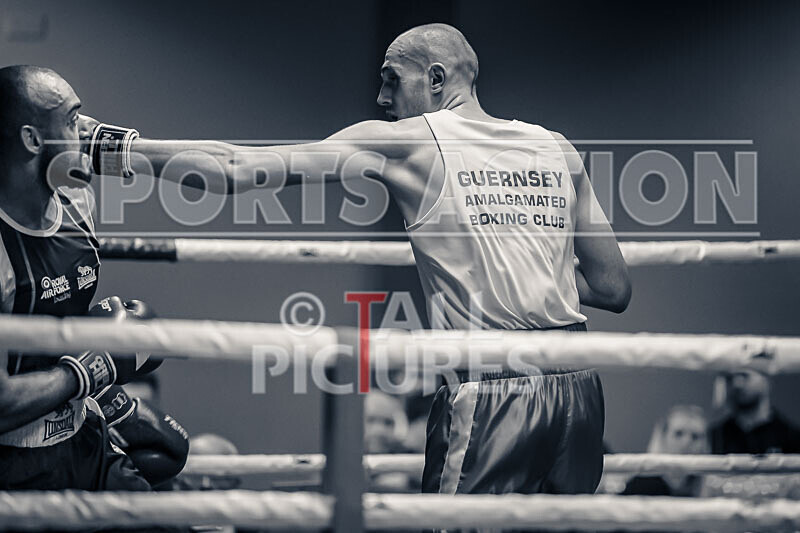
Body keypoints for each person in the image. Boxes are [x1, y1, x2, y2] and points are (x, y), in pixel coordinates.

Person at [86, 23, 631, 498]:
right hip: (579, 391)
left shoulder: (409, 142)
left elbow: (236, 169)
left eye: (392, 79)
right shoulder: (555, 147)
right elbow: (611, 287)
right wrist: (524, 276)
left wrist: (108, 148)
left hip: (491, 390)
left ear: (436, 80)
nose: (379, 97)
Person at [0, 65, 187, 494]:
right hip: (13, 462)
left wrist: (108, 398)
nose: (86, 132)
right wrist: (94, 367)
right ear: (32, 140)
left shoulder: (78, 199)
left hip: (85, 431)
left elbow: (64, 317)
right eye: (71, 119)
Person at [622, 405, 709, 497]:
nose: (687, 442)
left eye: (695, 437)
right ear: (663, 437)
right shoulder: (639, 486)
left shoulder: (710, 490)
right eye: (678, 434)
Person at [710, 368, 800, 454]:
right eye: (729, 378)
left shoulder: (790, 436)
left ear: (766, 380)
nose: (737, 384)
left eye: (744, 375)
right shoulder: (716, 437)